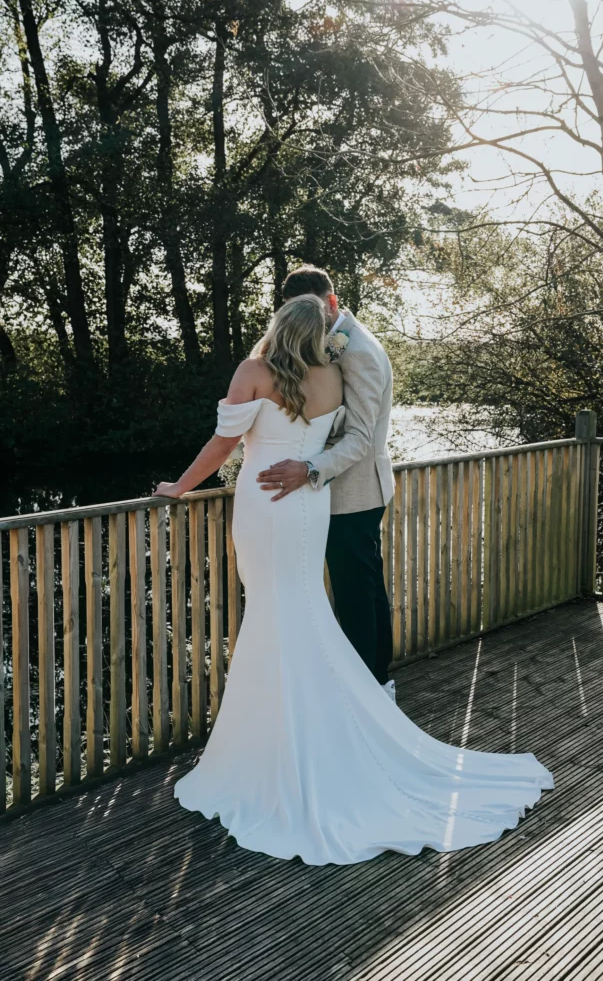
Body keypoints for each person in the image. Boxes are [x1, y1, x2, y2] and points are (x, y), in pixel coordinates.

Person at [154, 292, 553, 866]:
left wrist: (179, 487)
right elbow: (348, 436)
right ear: (318, 332)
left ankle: (276, 746)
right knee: (301, 608)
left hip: (266, 505)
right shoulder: (331, 377)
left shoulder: (253, 372)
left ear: (277, 327)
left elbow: (222, 445)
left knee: (273, 610)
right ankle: (308, 729)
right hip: (309, 503)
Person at [256, 266, 395, 700]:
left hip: (355, 492)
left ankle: (366, 692)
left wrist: (308, 468)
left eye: (312, 308)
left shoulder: (359, 350)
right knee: (365, 589)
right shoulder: (335, 340)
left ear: (331, 302)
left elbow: (361, 438)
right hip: (347, 490)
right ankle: (378, 684)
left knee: (356, 594)